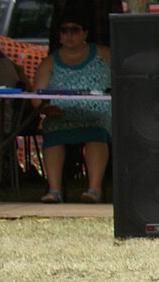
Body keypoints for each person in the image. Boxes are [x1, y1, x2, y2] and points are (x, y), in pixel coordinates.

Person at [31, 12, 111, 203]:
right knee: (52, 128)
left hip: (97, 111)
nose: (68, 35)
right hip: (61, 113)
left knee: (95, 130)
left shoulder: (103, 53)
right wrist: (45, 109)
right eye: (64, 30)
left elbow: (124, 77)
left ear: (85, 33)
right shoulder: (50, 60)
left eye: (74, 30)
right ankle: (54, 191)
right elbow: (37, 93)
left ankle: (94, 189)